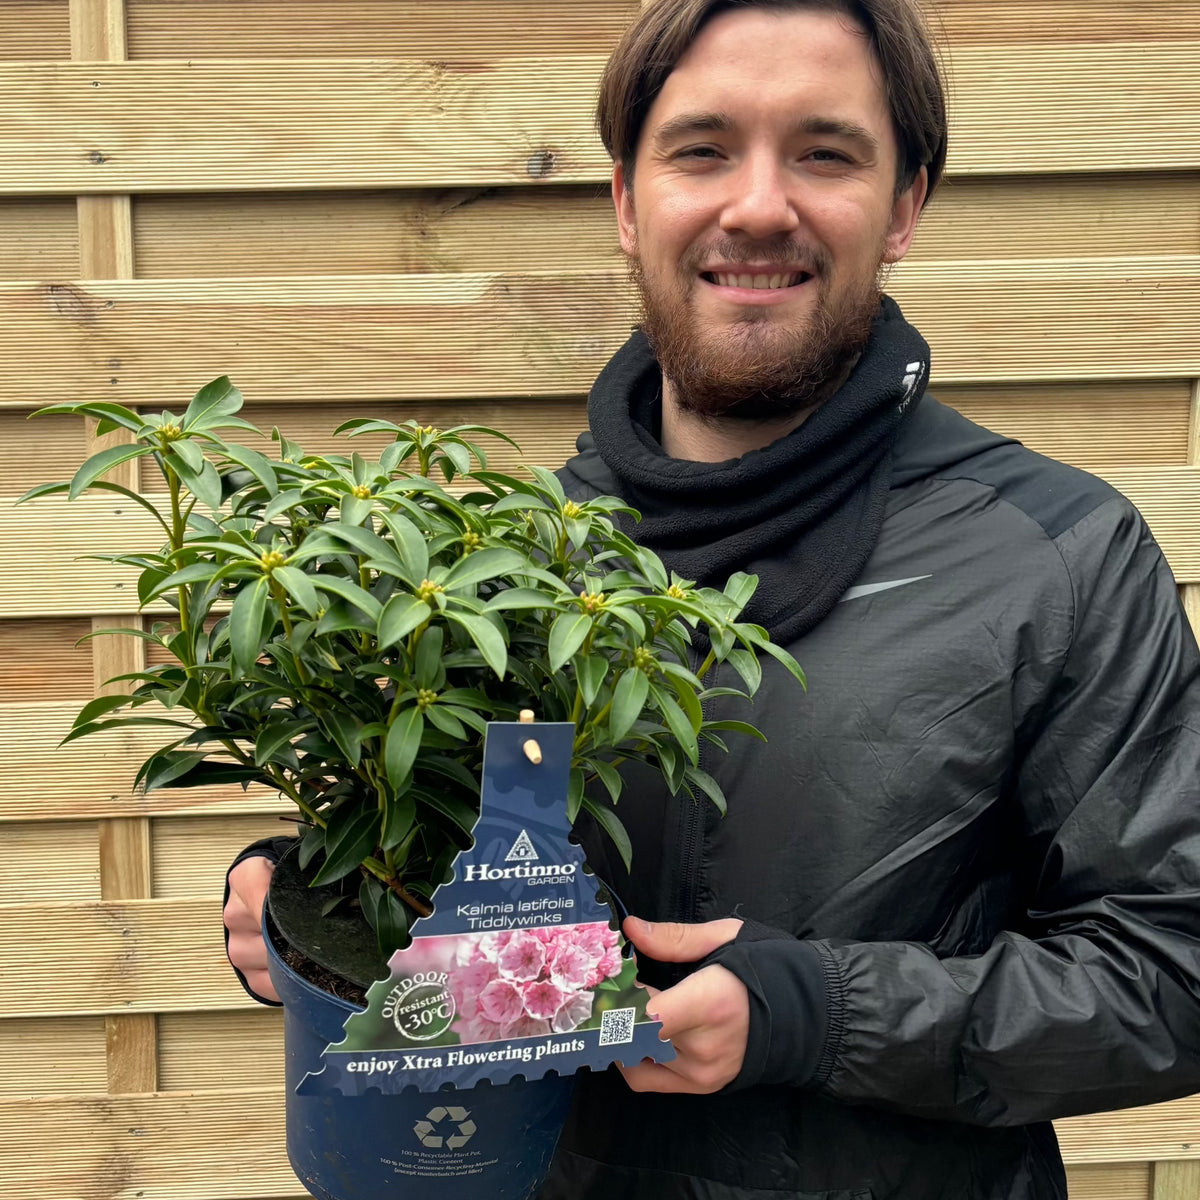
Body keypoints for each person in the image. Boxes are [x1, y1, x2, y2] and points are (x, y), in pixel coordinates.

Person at [224, 1, 1200, 1196]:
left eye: (825, 152)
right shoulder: (494, 567)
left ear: (904, 207)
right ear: (628, 201)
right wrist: (331, 889)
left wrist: (818, 1013)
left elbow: (1175, 972)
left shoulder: (1055, 555)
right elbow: (464, 864)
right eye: (702, 148)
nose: (756, 204)